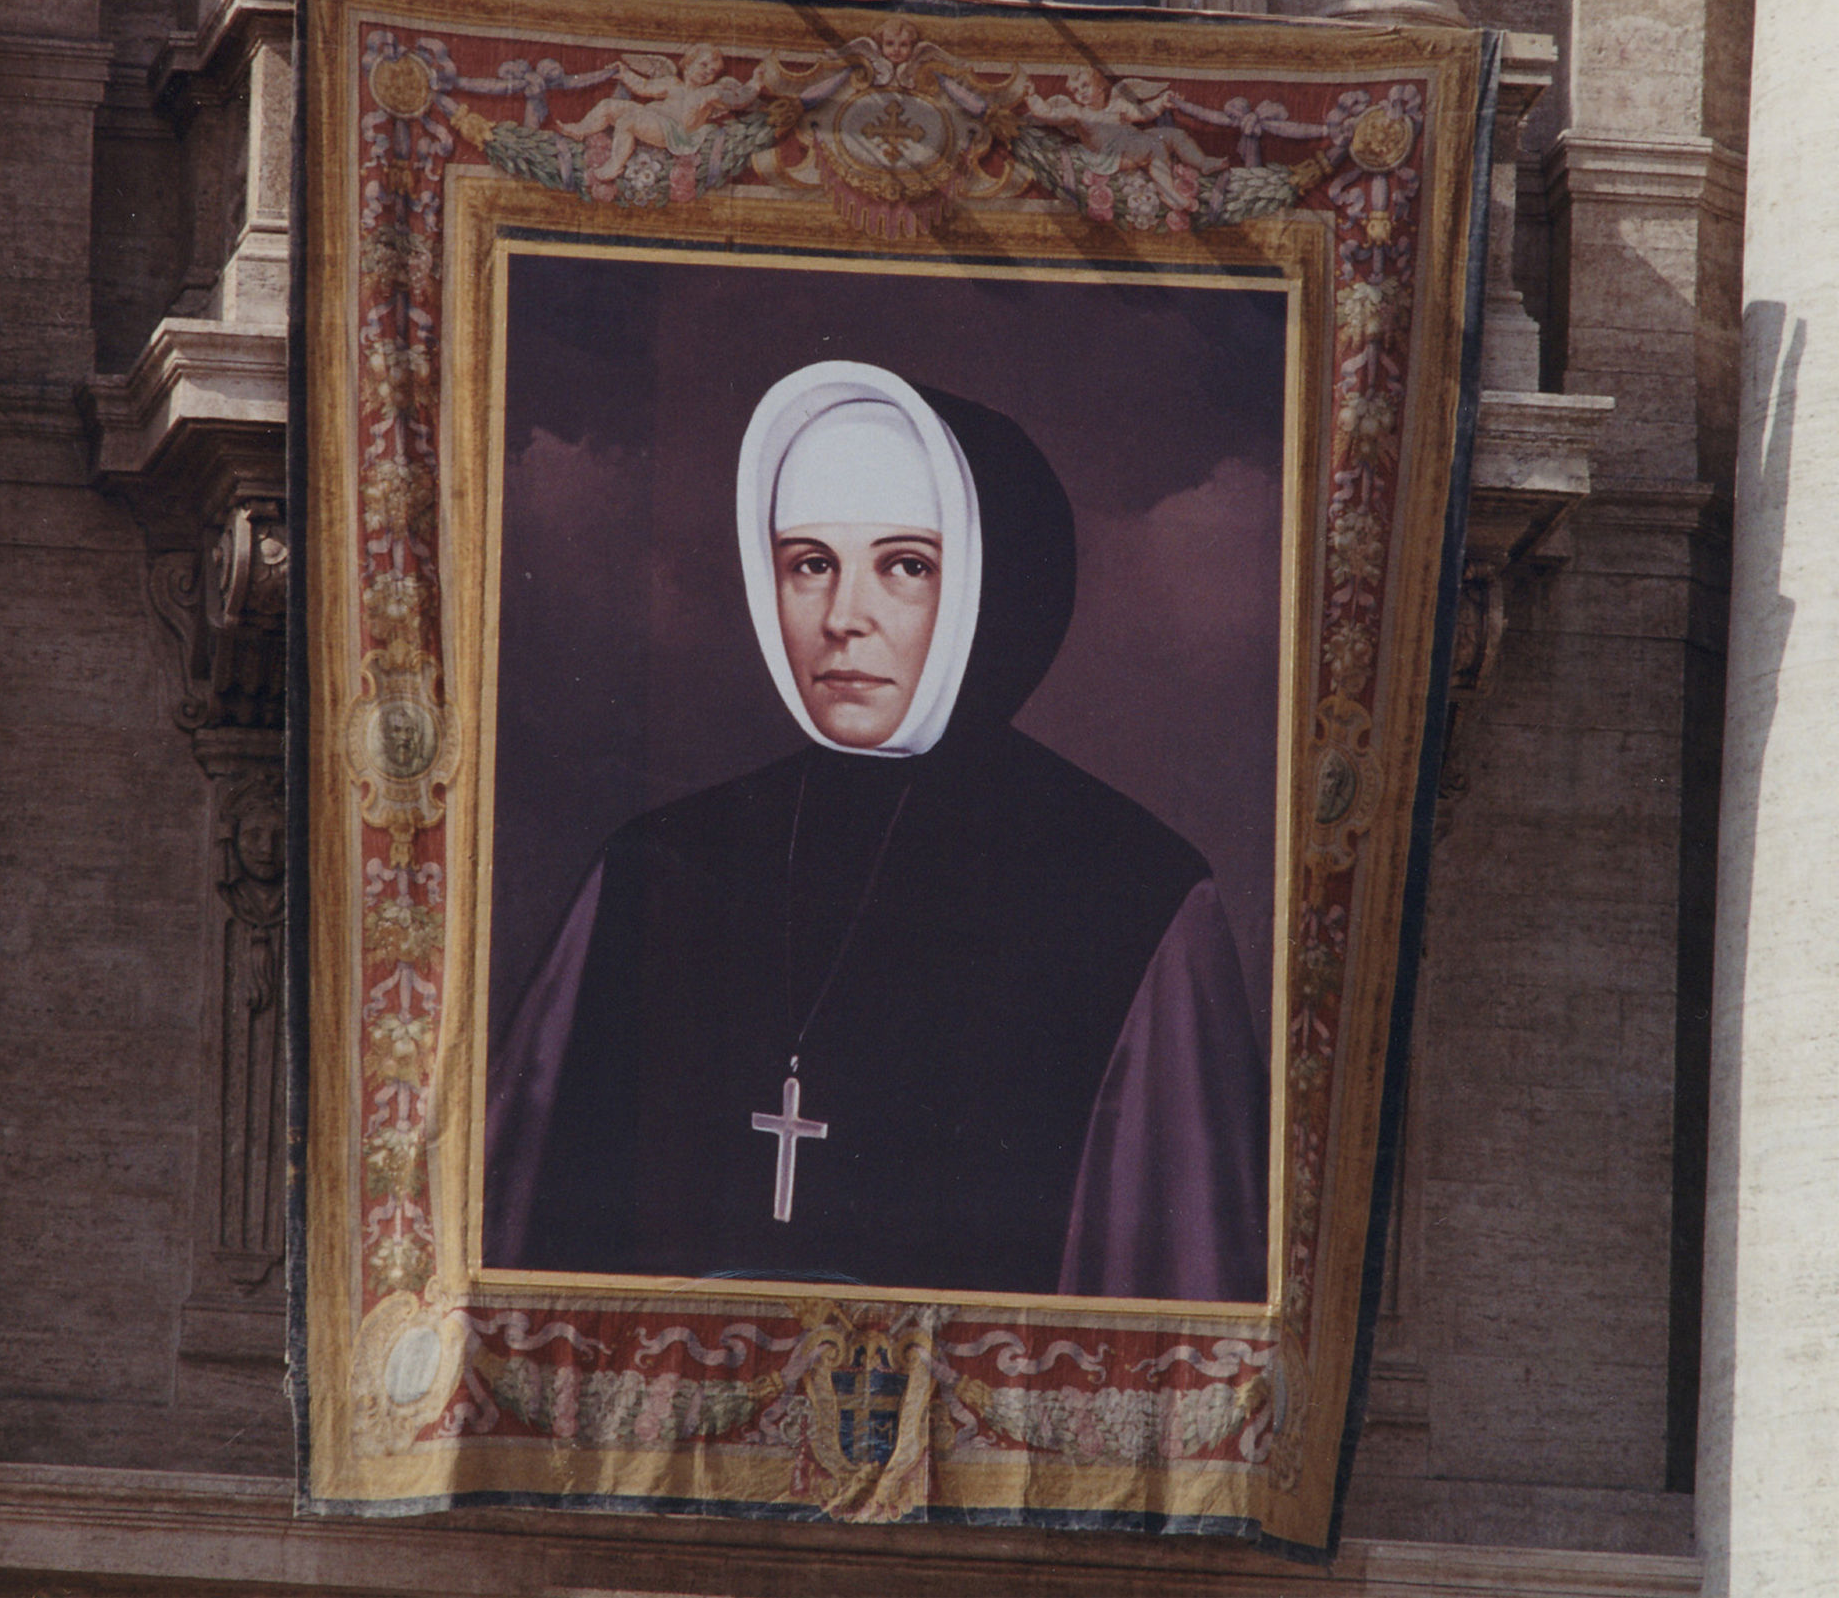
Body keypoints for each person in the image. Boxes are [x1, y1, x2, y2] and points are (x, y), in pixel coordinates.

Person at [484, 361, 1268, 1302]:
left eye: (905, 565)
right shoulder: (655, 863)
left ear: (995, 585)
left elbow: (1174, 1316)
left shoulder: (1132, 891)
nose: (842, 619)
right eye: (810, 563)